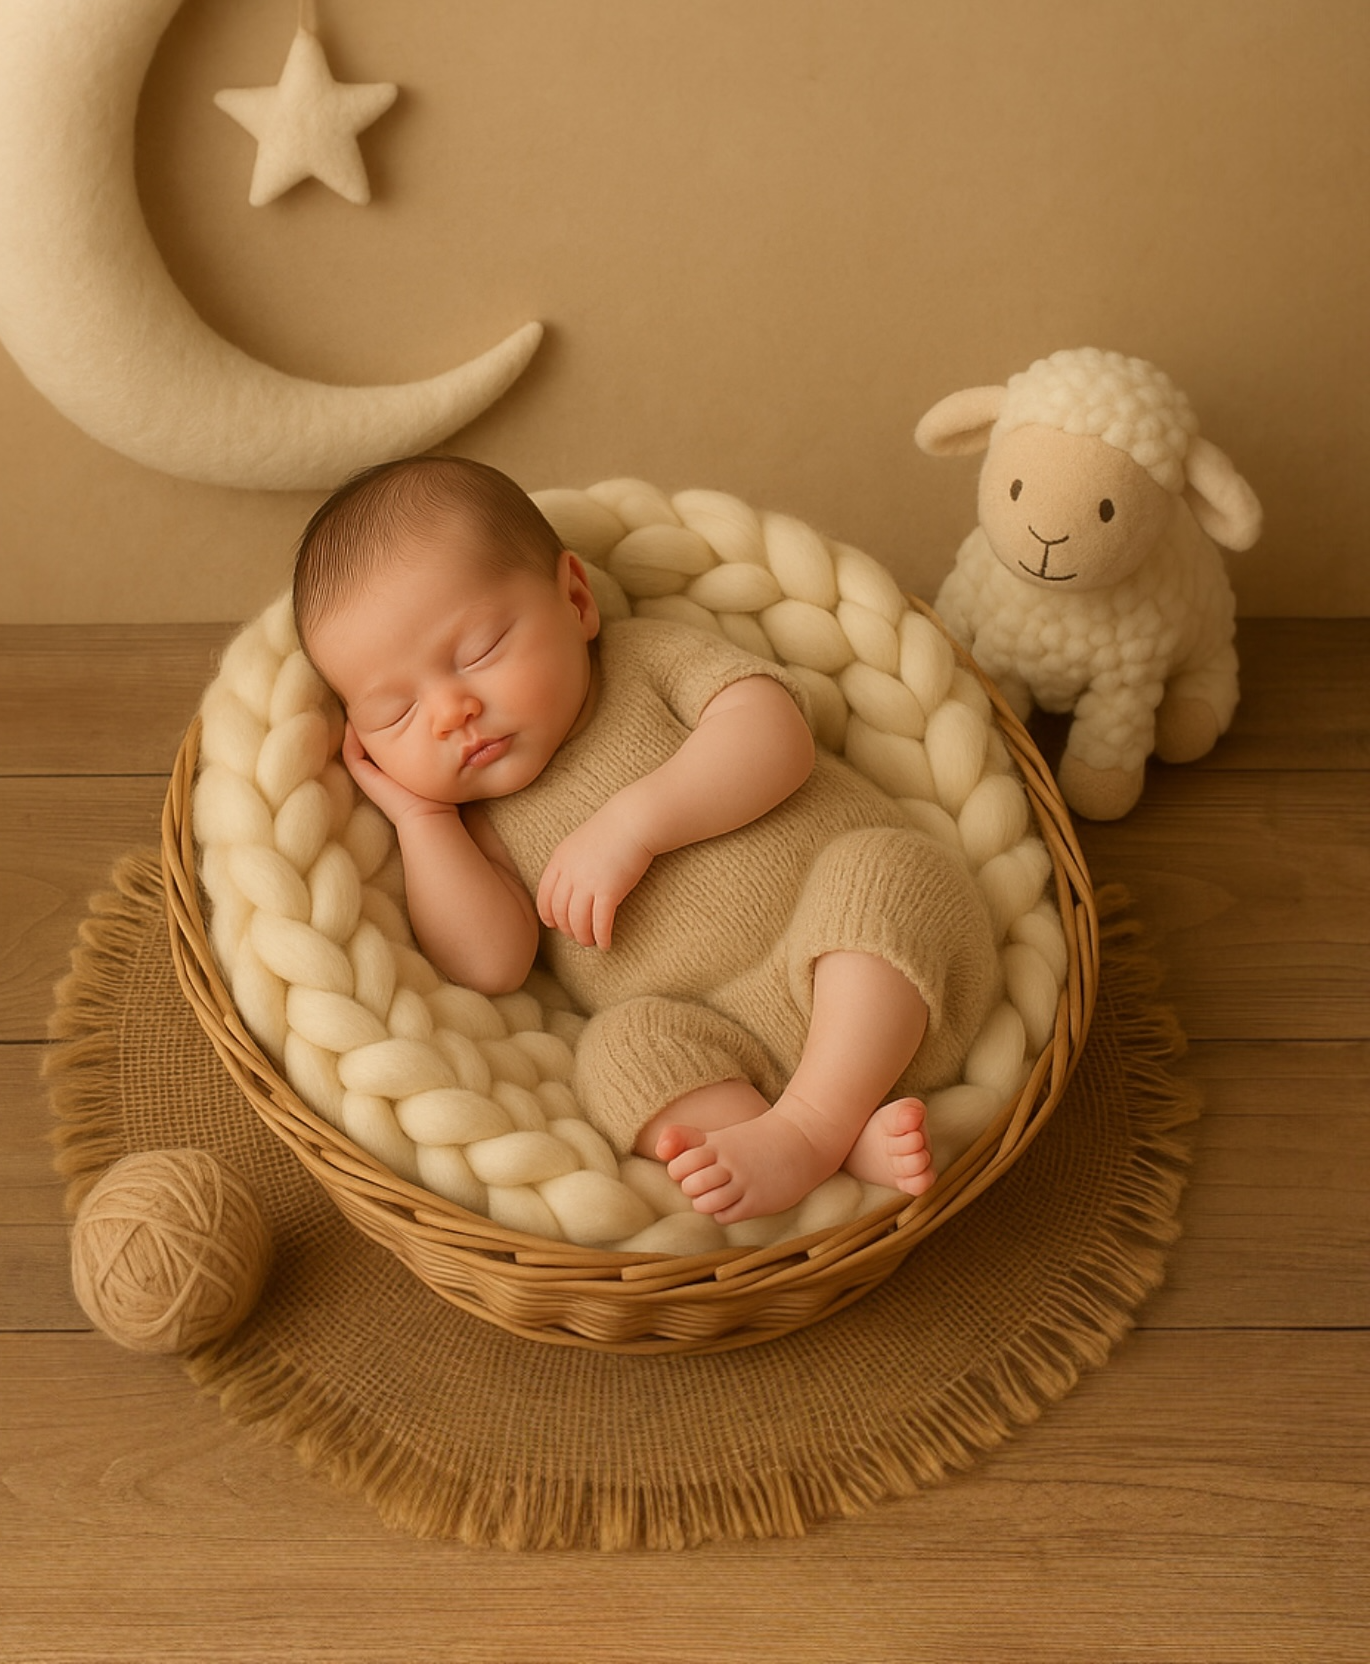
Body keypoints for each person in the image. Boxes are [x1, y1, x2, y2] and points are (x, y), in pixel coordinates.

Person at [294, 456, 1000, 1226]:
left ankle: (811, 1126)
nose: (449, 713)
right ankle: (816, 1135)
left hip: (890, 975)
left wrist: (634, 824)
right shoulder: (479, 823)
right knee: (616, 1052)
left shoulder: (642, 662)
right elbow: (490, 964)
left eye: (479, 651)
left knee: (883, 869)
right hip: (736, 1049)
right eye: (395, 713)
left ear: (575, 600)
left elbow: (775, 737)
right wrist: (422, 820)